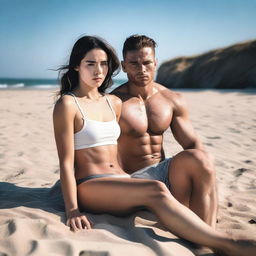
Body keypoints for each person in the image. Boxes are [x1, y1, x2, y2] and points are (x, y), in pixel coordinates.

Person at [53, 35, 256, 256]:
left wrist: (207, 183)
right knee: (156, 189)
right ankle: (226, 243)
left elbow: (193, 146)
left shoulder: (112, 103)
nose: (98, 71)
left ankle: (203, 242)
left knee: (196, 161)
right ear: (76, 66)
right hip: (95, 183)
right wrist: (72, 209)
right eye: (90, 64)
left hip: (129, 180)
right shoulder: (70, 104)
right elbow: (66, 162)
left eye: (103, 64)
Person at [112, 35, 217, 228]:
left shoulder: (171, 99)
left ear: (155, 63)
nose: (142, 69)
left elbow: (193, 145)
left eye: (147, 62)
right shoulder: (113, 102)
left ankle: (208, 235)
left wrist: (207, 176)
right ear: (124, 65)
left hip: (164, 175)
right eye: (134, 63)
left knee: (202, 158)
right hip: (129, 179)